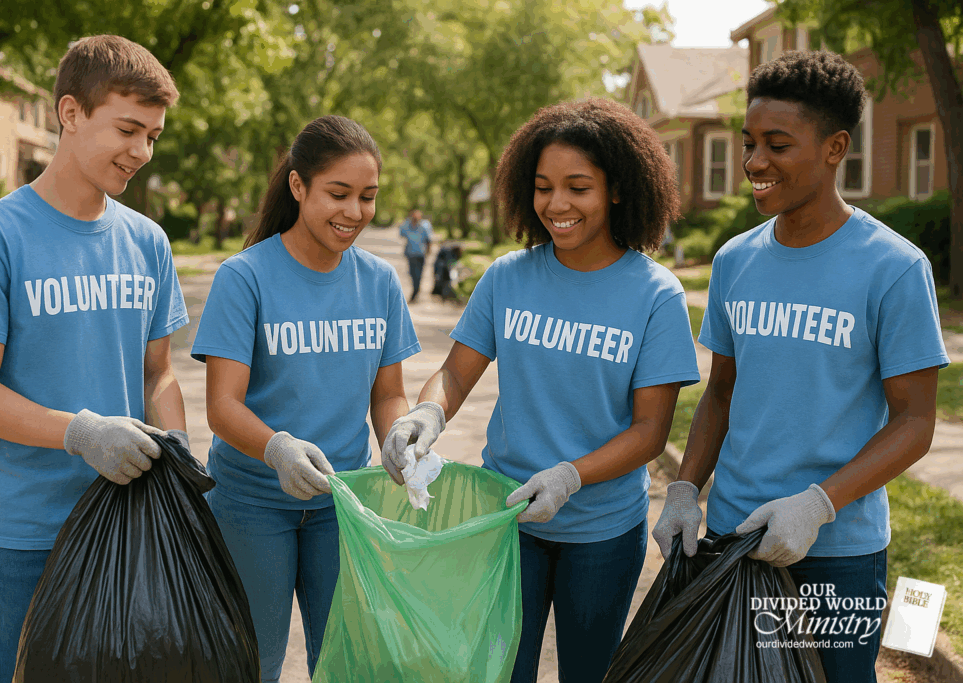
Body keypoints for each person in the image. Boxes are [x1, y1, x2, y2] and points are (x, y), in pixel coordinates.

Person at [652, 51, 948, 683]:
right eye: (750, 143)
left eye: (778, 145)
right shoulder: (735, 260)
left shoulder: (893, 268)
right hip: (734, 543)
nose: (755, 163)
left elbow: (915, 423)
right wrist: (684, 491)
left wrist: (818, 503)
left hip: (836, 551)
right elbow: (721, 394)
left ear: (836, 147)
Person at [382, 98, 700, 682]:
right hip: (507, 519)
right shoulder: (508, 276)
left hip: (603, 531)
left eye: (578, 187)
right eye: (543, 186)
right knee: (501, 670)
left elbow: (651, 430)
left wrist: (571, 474)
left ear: (618, 191)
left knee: (588, 672)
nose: (558, 204)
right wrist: (427, 413)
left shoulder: (656, 295)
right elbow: (455, 373)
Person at [0, 35, 189, 683]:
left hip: (131, 525)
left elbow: (157, 372)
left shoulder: (148, 243)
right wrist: (81, 431)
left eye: (153, 136)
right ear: (70, 113)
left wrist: (181, 456)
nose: (141, 152)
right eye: (128, 129)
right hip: (26, 536)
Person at [190, 115, 421, 682]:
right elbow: (222, 405)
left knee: (343, 661)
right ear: (298, 187)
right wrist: (277, 448)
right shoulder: (244, 278)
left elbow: (388, 392)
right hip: (252, 503)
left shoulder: (380, 282)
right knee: (255, 664)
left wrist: (398, 433)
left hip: (340, 505)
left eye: (367, 197)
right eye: (337, 194)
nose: (354, 213)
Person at [398, 208, 434, 301]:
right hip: (410, 253)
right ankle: (416, 290)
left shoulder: (425, 226)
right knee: (412, 273)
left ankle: (416, 291)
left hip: (420, 254)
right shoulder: (407, 225)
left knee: (418, 274)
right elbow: (401, 234)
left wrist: (429, 251)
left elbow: (429, 240)